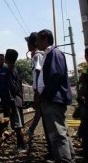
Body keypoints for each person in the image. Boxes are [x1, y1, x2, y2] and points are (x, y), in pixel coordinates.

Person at [36, 29, 75, 162]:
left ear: (45, 38)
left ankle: (64, 160)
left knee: (57, 134)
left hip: (53, 98)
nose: (36, 42)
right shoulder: (50, 54)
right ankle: (69, 158)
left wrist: (45, 95)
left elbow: (55, 75)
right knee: (61, 131)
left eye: (38, 39)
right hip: (52, 98)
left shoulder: (54, 53)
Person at [4, 49, 27, 152]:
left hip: (13, 101)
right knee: (18, 125)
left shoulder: (9, 70)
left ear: (7, 58)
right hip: (18, 99)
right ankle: (21, 145)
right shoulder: (15, 69)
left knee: (17, 126)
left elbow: (10, 88)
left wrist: (10, 103)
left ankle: (22, 146)